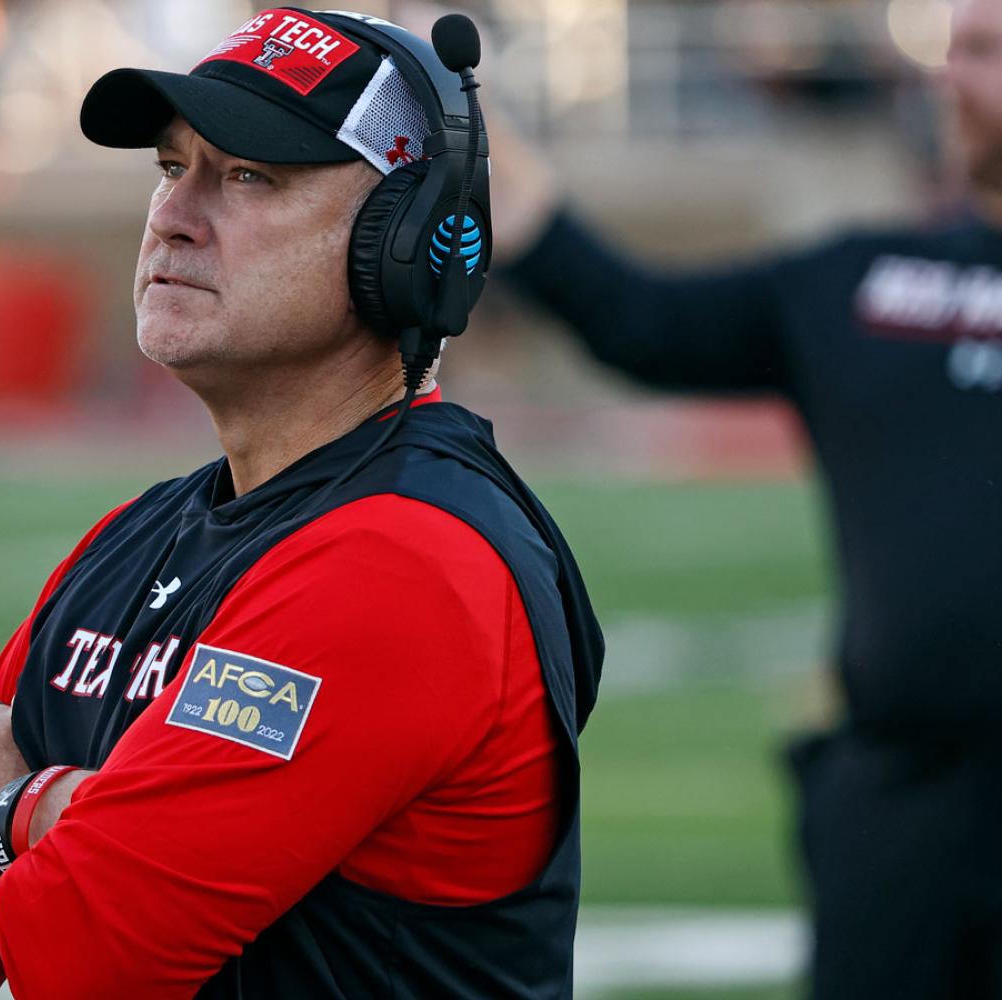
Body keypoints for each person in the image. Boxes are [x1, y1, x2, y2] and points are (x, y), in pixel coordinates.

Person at [0, 9, 603, 999]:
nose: (174, 216)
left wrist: (7, 819)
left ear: (407, 244)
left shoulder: (406, 559)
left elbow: (83, 954)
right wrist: (38, 820)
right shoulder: (131, 539)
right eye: (170, 167)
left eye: (249, 176)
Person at [487, 1, 1002, 996]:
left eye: (981, 53)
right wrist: (480, 135)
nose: (946, 78)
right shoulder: (866, 284)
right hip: (896, 814)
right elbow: (637, 318)